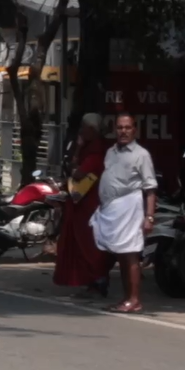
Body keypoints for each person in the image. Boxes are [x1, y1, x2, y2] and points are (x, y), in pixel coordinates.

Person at [90, 113, 158, 312]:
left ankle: (135, 300)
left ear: (134, 130)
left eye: (127, 127)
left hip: (130, 207)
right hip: (112, 209)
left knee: (130, 255)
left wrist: (149, 217)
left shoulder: (141, 154)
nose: (123, 131)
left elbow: (150, 188)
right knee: (121, 255)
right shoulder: (111, 152)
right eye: (120, 127)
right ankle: (126, 298)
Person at [53, 113, 114, 297]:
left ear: (92, 130)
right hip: (82, 202)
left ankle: (98, 282)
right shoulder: (92, 148)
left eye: (84, 128)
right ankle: (91, 282)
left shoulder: (96, 151)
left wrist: (77, 154)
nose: (81, 132)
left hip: (90, 204)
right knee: (83, 244)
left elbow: (78, 173)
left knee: (90, 245)